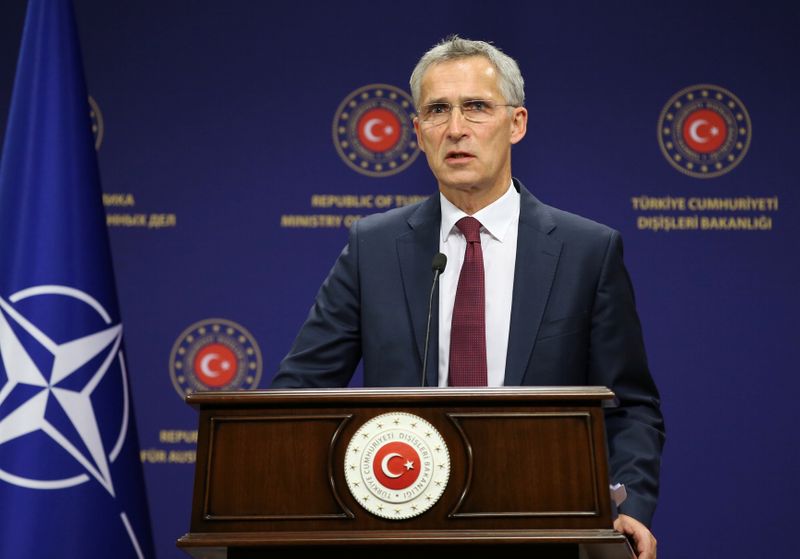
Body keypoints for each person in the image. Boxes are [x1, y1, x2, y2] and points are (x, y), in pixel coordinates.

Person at [272, 35, 665, 559]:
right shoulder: (374, 247)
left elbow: (629, 407)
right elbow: (297, 397)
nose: (456, 129)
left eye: (476, 107)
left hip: (543, 533)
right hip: (401, 533)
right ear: (417, 132)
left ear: (516, 123)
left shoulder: (586, 251)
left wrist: (630, 504)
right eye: (437, 111)